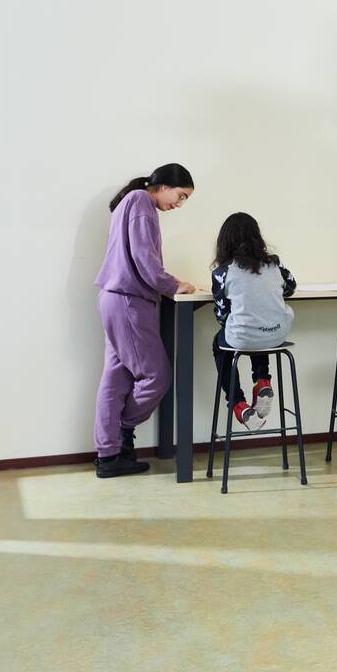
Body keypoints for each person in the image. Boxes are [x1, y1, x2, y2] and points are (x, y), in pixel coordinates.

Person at [92, 164, 197, 478]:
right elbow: (144, 259)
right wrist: (173, 285)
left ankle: (109, 455)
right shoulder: (140, 201)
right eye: (181, 196)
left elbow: (139, 257)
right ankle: (122, 432)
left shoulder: (131, 202)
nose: (180, 204)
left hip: (115, 297)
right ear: (163, 186)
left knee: (116, 378)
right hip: (128, 301)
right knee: (156, 375)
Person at [210, 212, 297, 430]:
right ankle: (262, 380)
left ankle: (238, 404)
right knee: (260, 328)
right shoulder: (274, 264)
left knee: (224, 342)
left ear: (225, 242)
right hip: (277, 334)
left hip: (246, 335)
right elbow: (291, 287)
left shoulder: (222, 272)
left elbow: (221, 314)